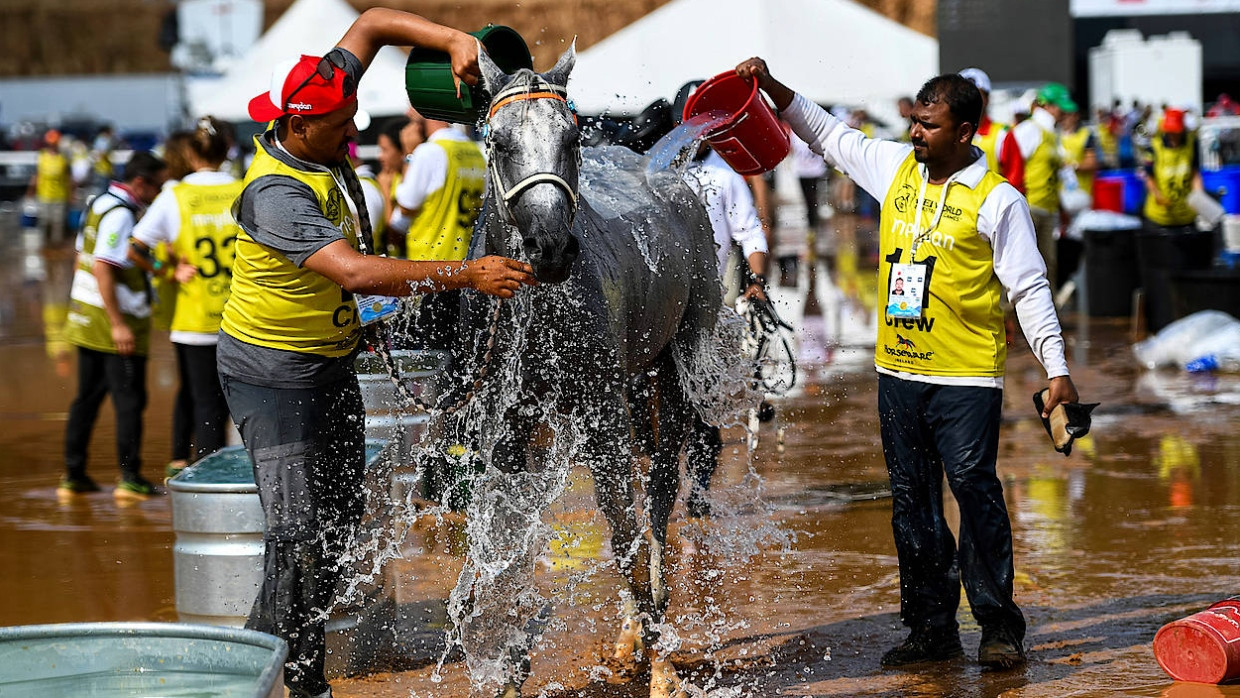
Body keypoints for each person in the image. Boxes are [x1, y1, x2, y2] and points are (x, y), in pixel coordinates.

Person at [221, 10, 535, 697]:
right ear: (298, 126)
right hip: (272, 373)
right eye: (340, 129)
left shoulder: (326, 86)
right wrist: (468, 273)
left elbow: (370, 22)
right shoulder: (274, 194)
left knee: (337, 525)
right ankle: (286, 675)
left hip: (329, 361)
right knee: (298, 532)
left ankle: (265, 649)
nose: (353, 134)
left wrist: (454, 41)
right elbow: (357, 272)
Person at [735, 57, 1080, 670]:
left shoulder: (998, 202)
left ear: (966, 132)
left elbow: (1029, 289)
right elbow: (825, 133)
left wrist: (1056, 370)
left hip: (966, 376)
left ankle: (999, 627)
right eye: (916, 122)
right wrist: (772, 86)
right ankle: (931, 628)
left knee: (975, 495)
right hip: (899, 372)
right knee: (911, 501)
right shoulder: (895, 167)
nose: (916, 133)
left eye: (930, 125)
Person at [130, 117, 240, 475]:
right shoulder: (242, 189)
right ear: (226, 151)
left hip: (194, 316)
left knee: (202, 400)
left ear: (191, 153)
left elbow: (135, 248)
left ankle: (204, 475)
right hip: (241, 314)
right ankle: (219, 473)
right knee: (233, 403)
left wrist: (167, 272)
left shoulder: (174, 195)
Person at [60, 152, 169, 498]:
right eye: (158, 185)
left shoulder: (99, 203)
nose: (160, 191)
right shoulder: (122, 215)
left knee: (87, 399)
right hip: (113, 324)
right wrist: (118, 323)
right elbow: (103, 266)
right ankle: (130, 477)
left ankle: (73, 474)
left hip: (86, 317)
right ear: (141, 183)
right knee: (129, 401)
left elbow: (82, 256)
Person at [680, 142, 771, 517]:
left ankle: (697, 490)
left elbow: (749, 232)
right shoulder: (656, 177)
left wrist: (757, 280)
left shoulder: (724, 178)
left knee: (703, 409)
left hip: (708, 312)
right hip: (660, 313)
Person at [390, 110, 487, 348]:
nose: (406, 114)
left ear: (423, 113)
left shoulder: (429, 152)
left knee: (431, 357)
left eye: (411, 109)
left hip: (431, 270)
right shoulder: (474, 151)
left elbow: (403, 210)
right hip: (468, 268)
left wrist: (408, 155)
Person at [1011, 82, 1077, 296]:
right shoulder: (1029, 130)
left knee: (1048, 263)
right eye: (1059, 108)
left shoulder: (1051, 133)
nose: (1062, 113)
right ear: (1047, 106)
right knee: (1024, 265)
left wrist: (1061, 207)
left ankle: (1046, 314)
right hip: (1029, 206)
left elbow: (1054, 174)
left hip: (1048, 208)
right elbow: (1012, 165)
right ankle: (1011, 316)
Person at [1141, 107, 1203, 232]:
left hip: (1186, 214)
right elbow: (1149, 177)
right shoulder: (1154, 147)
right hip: (1160, 216)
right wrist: (1158, 196)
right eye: (1169, 131)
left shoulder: (1192, 144)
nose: (1172, 135)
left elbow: (1195, 174)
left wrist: (1199, 195)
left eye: (1175, 131)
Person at [958, 68, 1023, 184]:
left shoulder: (1002, 134)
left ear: (987, 99)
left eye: (975, 94)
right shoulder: (948, 131)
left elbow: (1015, 182)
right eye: (962, 95)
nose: (968, 100)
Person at [26, 129, 74, 245]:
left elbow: (69, 178)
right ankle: (46, 247)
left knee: (58, 224)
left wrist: (71, 194)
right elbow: (37, 175)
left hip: (60, 195)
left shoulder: (63, 158)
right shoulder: (42, 156)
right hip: (44, 194)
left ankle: (57, 248)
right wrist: (30, 191)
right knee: (45, 222)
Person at [373, 116, 410, 255]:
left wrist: (385, 192)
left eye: (385, 149)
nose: (380, 156)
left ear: (402, 151)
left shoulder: (406, 180)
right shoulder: (394, 177)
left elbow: (394, 235)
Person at [1060, 109, 1099, 199]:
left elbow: (1092, 163)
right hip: (1058, 195)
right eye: (1062, 114)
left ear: (1076, 116)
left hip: (1081, 193)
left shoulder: (1085, 134)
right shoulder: (1054, 134)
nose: (1063, 118)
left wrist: (1072, 166)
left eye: (1067, 115)